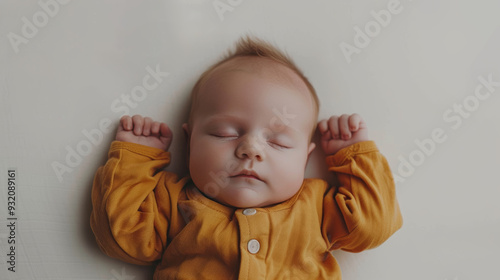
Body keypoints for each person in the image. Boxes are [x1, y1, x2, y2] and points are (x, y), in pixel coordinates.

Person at [90, 36, 403, 279]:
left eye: (278, 142)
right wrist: (135, 159)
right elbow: (120, 237)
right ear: (190, 141)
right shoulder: (175, 203)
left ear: (306, 160)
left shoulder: (317, 207)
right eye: (225, 133)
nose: (250, 149)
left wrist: (353, 157)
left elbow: (371, 227)